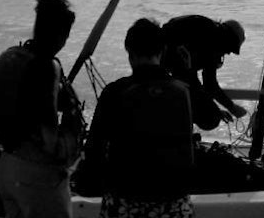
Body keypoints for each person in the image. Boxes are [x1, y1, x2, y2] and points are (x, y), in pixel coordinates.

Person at [0, 0, 83, 218]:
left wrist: (7, 135)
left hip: (7, 167)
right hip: (37, 178)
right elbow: (49, 139)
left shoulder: (12, 55)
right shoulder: (48, 66)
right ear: (62, 34)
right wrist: (72, 124)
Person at [79, 18, 195, 218]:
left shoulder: (114, 92)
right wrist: (188, 72)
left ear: (129, 54)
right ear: (162, 52)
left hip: (125, 200)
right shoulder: (183, 90)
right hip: (173, 202)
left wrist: (89, 185)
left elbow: (94, 149)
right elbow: (211, 120)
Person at [161, 15, 246, 128]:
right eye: (229, 49)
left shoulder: (206, 30)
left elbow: (194, 80)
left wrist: (216, 108)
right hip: (168, 76)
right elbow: (208, 84)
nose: (228, 53)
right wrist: (231, 107)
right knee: (210, 118)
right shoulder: (213, 41)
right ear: (227, 39)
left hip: (164, 70)